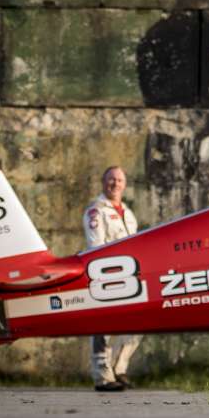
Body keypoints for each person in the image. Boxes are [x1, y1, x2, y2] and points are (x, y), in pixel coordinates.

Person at [83, 166, 141, 392]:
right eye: (111, 179)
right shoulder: (96, 212)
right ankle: (103, 377)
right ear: (103, 182)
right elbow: (95, 248)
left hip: (130, 277)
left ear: (124, 184)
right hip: (106, 276)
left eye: (119, 180)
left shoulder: (127, 212)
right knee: (104, 328)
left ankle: (119, 368)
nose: (115, 184)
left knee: (138, 325)